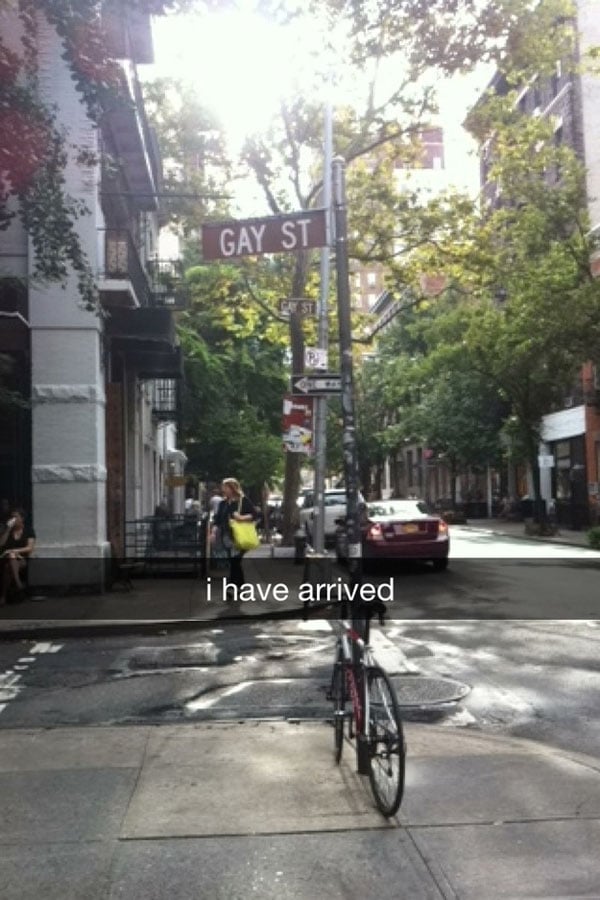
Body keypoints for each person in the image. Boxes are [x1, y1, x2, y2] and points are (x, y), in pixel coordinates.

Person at [211, 478, 256, 591]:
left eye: (225, 487)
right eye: (223, 487)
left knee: (235, 561)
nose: (223, 489)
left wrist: (241, 518)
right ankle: (239, 586)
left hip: (240, 536)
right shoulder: (223, 503)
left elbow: (254, 514)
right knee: (234, 562)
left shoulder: (243, 501)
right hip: (227, 537)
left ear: (232, 488)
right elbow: (218, 520)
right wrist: (213, 532)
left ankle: (232, 587)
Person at [0, 507, 36, 604]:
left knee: (9, 564)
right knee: (9, 565)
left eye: (15, 516)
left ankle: (3, 596)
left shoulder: (28, 530)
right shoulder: (9, 531)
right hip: (7, 559)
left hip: (22, 559)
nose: (13, 519)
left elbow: (29, 547)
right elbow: (1, 544)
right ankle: (19, 584)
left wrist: (14, 550)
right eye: (12, 517)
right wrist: (8, 529)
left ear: (22, 518)